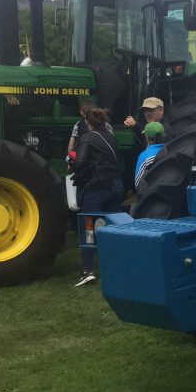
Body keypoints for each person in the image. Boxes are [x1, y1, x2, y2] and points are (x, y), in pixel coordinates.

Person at [71, 106, 123, 287]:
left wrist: (71, 160)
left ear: (88, 122)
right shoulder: (111, 137)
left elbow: (80, 163)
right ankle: (115, 267)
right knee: (110, 228)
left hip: (97, 188)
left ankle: (87, 270)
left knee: (88, 227)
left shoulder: (87, 137)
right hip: (116, 185)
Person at [134, 121, 166, 196]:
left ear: (147, 137)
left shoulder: (144, 155)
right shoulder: (169, 150)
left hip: (149, 197)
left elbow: (138, 181)